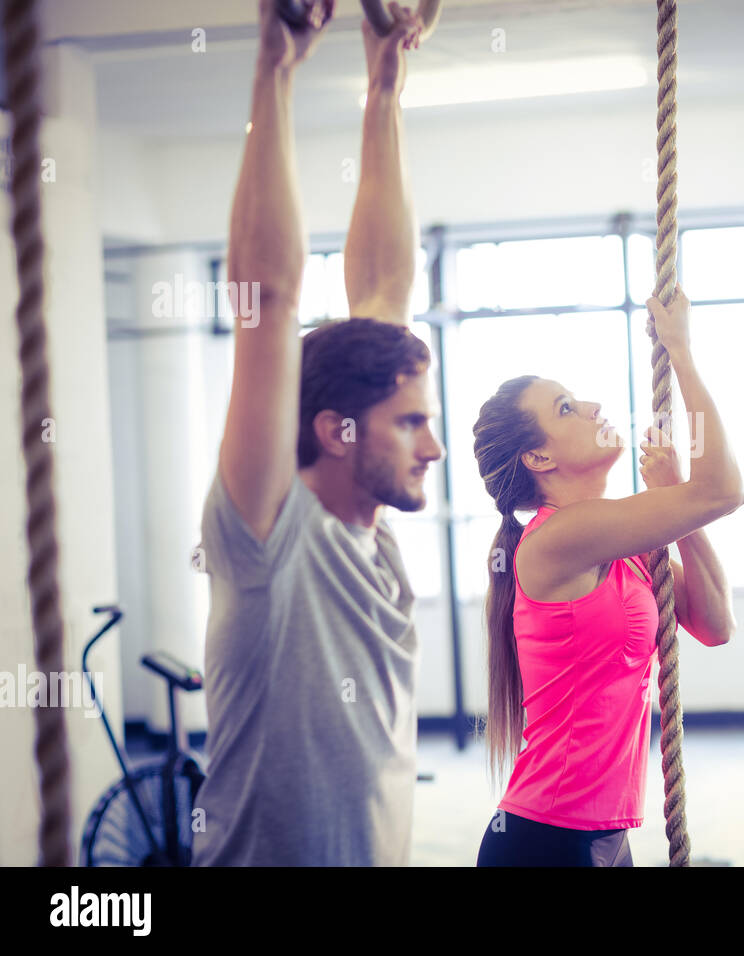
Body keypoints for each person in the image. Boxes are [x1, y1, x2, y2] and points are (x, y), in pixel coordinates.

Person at [192, 1, 443, 865]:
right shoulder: (268, 535)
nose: (434, 448)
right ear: (336, 431)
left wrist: (383, 91)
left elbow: (382, 289)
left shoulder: (368, 538)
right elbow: (268, 303)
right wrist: (276, 71)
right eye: (412, 424)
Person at [472, 287, 744, 866]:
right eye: (566, 409)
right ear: (538, 460)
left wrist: (679, 509)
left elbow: (718, 624)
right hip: (545, 842)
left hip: (603, 838)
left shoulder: (621, 548)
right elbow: (725, 490)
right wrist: (681, 351)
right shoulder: (556, 540)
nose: (594, 407)